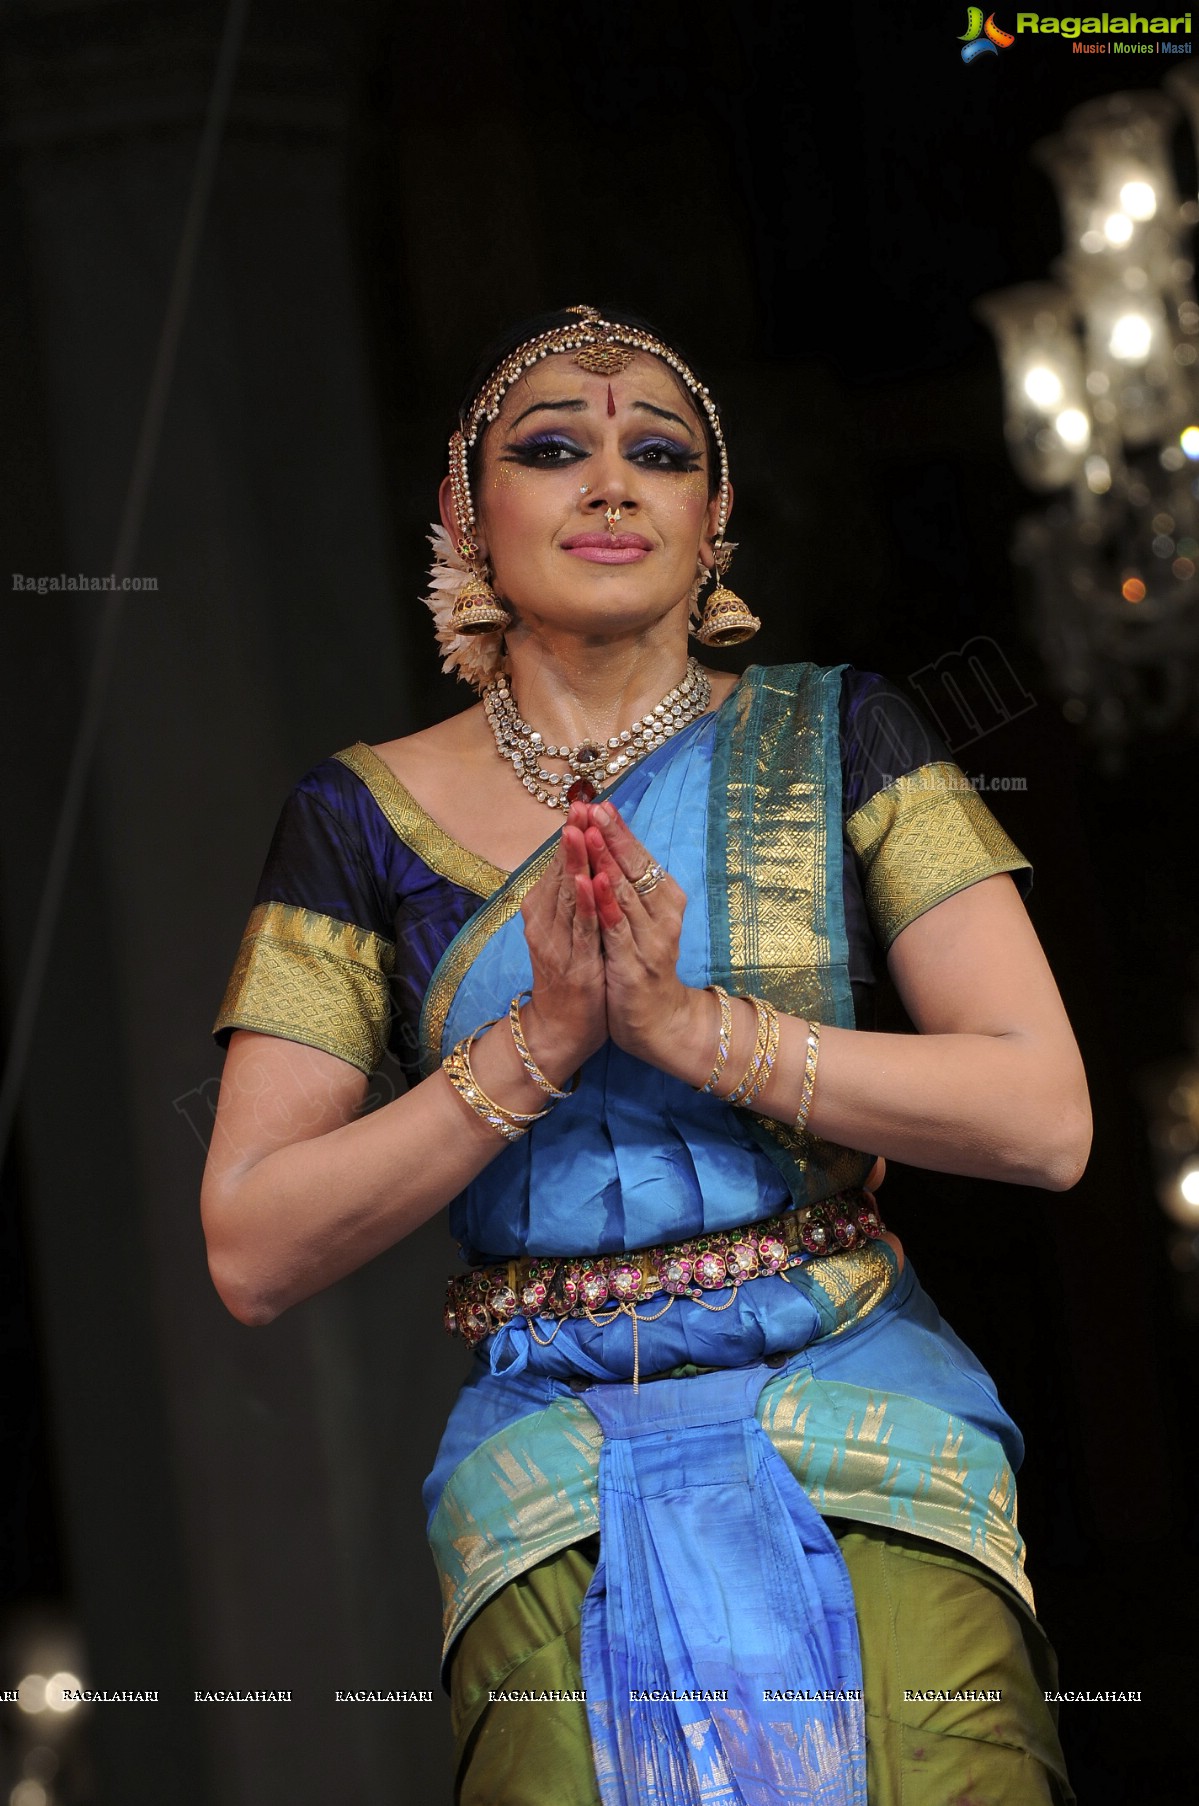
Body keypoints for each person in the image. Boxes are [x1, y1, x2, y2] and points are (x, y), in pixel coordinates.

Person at [202, 304, 1090, 1805]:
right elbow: (252, 1241)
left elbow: (1045, 1115)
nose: (611, 482)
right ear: (461, 516)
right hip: (550, 1471)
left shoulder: (847, 736)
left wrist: (693, 1029)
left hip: (874, 1424)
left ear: (716, 520)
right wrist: (543, 1040)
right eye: (553, 448)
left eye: (659, 454)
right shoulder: (356, 819)